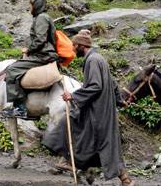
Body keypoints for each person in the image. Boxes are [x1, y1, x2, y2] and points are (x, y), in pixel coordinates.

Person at [43, 31, 134, 186]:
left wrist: (73, 96)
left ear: (81, 45)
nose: (73, 49)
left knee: (70, 123)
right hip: (104, 111)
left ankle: (68, 161)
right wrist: (120, 101)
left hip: (96, 112)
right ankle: (124, 180)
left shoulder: (92, 60)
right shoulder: (99, 58)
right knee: (103, 144)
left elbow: (95, 86)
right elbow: (112, 84)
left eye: (74, 45)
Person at [3, 0, 58, 118]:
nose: (30, 9)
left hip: (43, 55)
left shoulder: (41, 18)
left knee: (12, 70)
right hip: (43, 54)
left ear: (37, 5)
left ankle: (20, 109)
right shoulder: (42, 17)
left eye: (31, 5)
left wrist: (28, 50)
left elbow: (40, 39)